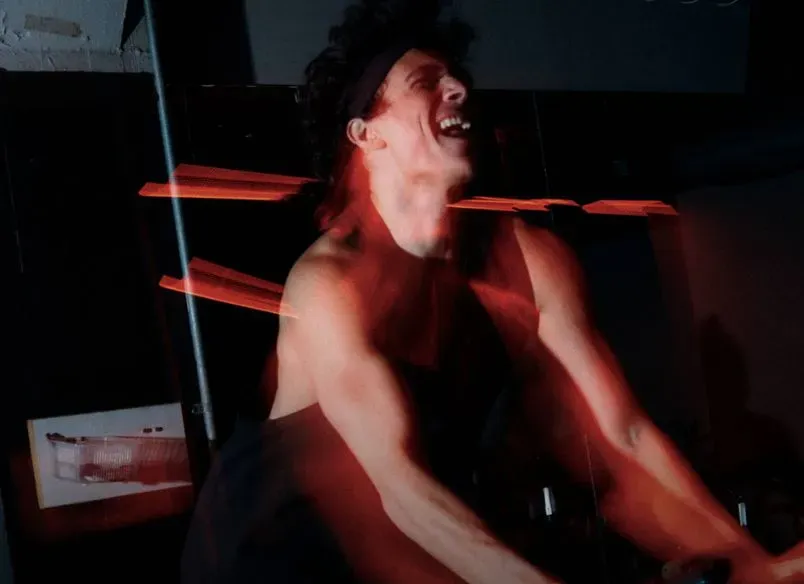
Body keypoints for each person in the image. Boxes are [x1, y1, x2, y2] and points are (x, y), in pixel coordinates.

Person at [181, 1, 789, 582]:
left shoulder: (528, 260)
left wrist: (747, 562)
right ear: (367, 133)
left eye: (458, 78)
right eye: (426, 82)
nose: (458, 88)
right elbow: (400, 487)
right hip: (263, 557)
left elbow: (622, 439)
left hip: (385, 553)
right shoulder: (328, 284)